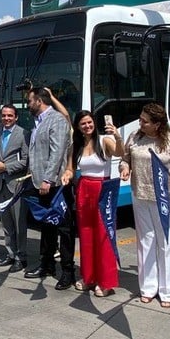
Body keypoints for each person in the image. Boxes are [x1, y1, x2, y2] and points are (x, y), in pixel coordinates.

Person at [121, 102, 170, 307]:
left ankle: (167, 291)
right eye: (140, 119)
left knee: (164, 243)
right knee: (145, 242)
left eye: (145, 121)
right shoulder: (135, 137)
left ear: (157, 124)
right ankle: (148, 287)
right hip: (139, 195)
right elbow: (125, 158)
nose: (140, 123)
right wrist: (124, 168)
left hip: (163, 197)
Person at [24, 86, 75, 290]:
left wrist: (48, 179)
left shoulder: (57, 120)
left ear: (39, 100)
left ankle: (68, 271)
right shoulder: (38, 122)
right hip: (39, 183)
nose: (27, 105)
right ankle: (47, 265)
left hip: (55, 184)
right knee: (47, 226)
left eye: (29, 101)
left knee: (64, 228)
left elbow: (57, 152)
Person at [69, 110, 123, 297]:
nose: (87, 126)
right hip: (84, 189)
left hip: (103, 189)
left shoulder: (105, 140)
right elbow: (71, 168)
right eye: (83, 123)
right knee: (86, 234)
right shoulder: (76, 145)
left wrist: (117, 136)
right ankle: (89, 277)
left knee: (104, 235)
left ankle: (106, 282)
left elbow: (120, 152)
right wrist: (67, 174)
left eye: (90, 122)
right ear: (78, 126)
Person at [0, 104, 30, 270]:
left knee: (19, 224)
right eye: (4, 115)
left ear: (16, 117)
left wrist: (6, 167)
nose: (6, 118)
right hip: (0, 184)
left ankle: (21, 257)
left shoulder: (23, 134)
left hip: (16, 185)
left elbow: (27, 161)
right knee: (6, 223)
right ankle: (10, 254)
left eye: (10, 116)